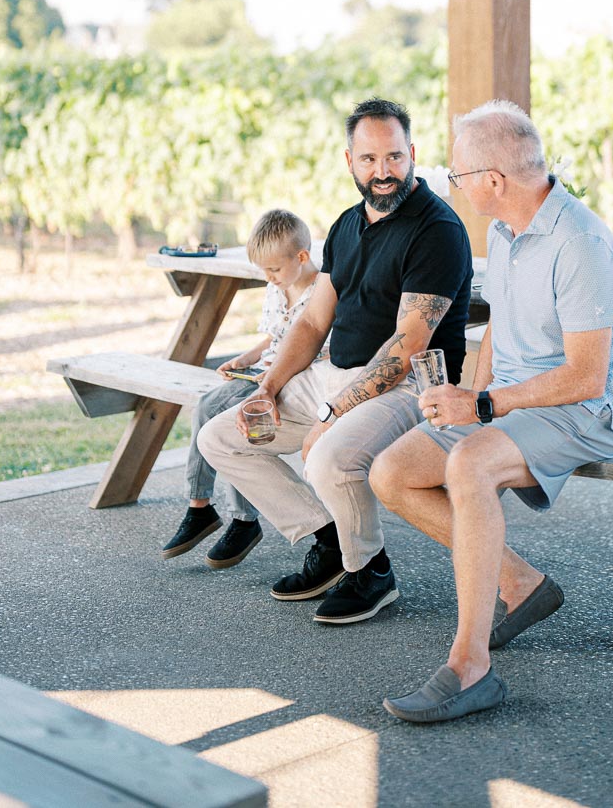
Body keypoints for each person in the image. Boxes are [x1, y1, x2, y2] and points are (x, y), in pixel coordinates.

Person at [371, 100, 613, 722]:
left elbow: (586, 376)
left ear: (493, 181)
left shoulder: (579, 244)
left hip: (588, 409)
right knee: (392, 473)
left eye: (459, 173)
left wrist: (487, 405)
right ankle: (521, 583)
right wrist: (468, 396)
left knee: (469, 464)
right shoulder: (504, 228)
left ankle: (471, 669)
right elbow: (499, 325)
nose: (454, 184)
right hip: (515, 401)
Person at [198, 97, 473, 625]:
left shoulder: (437, 229)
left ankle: (370, 570)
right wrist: (268, 386)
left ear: (412, 154)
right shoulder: (347, 225)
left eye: (393, 157)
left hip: (408, 388)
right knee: (222, 437)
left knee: (328, 457)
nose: (383, 172)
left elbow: (408, 346)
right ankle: (325, 538)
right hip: (334, 375)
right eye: (369, 160)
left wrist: (329, 416)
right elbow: (311, 322)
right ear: (350, 162)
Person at [161, 208, 320, 569]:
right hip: (263, 372)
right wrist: (242, 359)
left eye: (274, 270)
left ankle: (244, 520)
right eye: (263, 271)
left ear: (302, 256)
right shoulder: (278, 287)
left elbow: (307, 348)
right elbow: (273, 339)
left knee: (233, 420)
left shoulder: (319, 293)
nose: (269, 278)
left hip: (292, 379)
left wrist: (268, 378)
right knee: (205, 406)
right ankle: (199, 506)